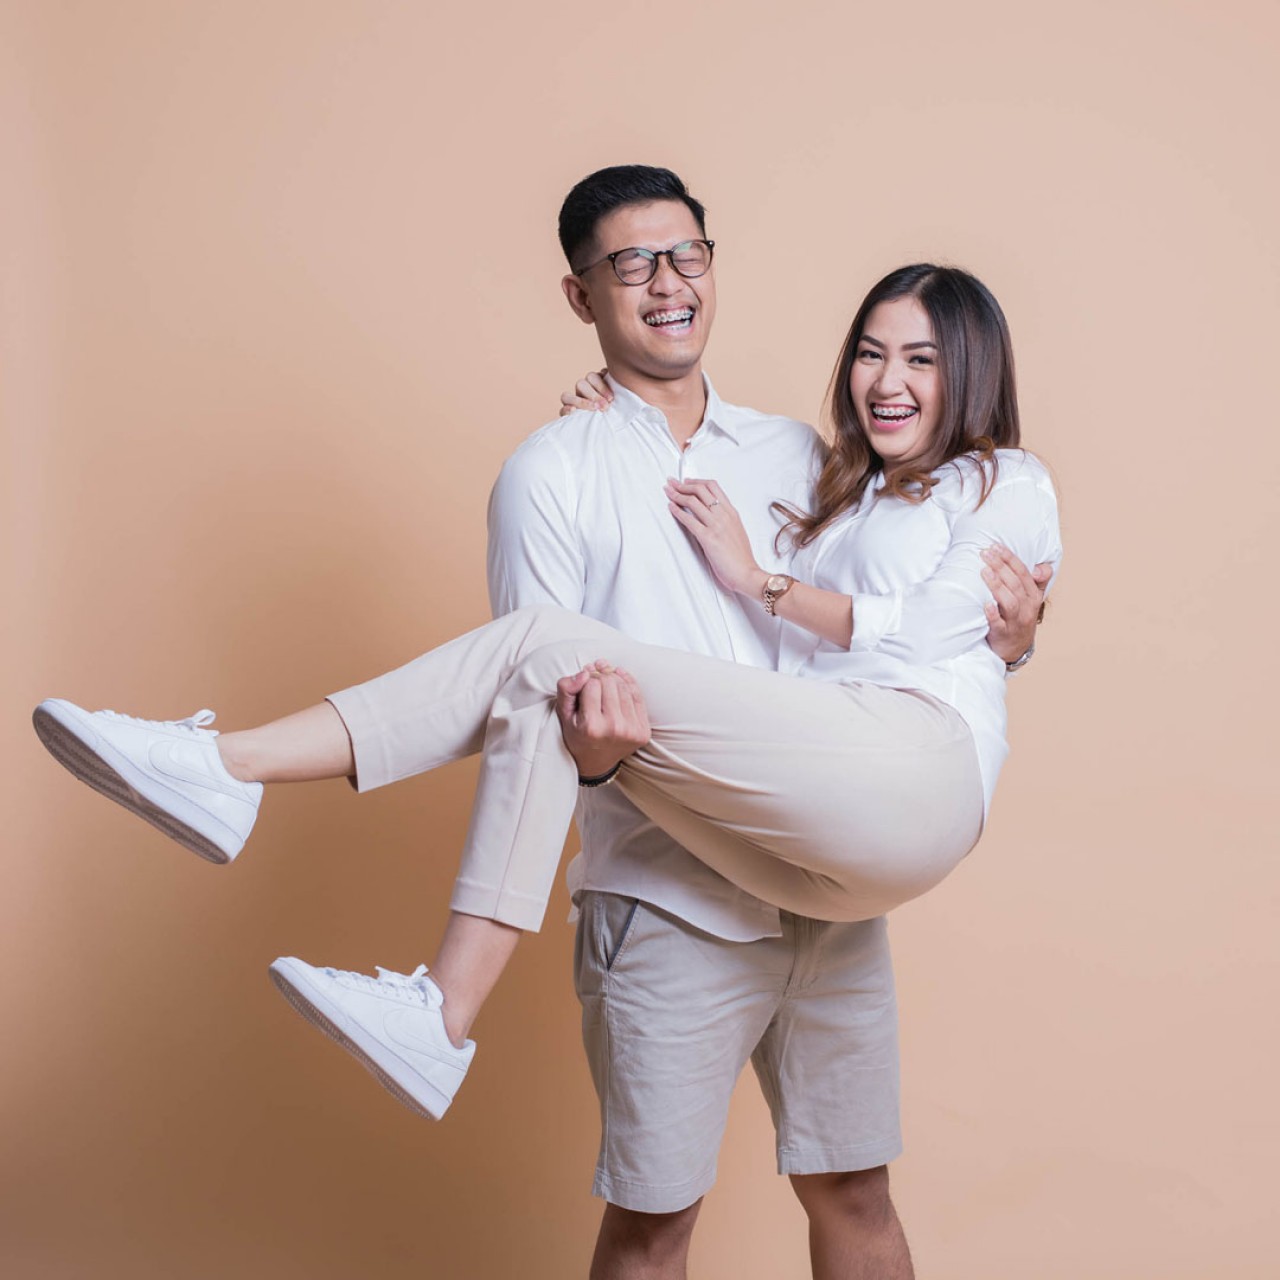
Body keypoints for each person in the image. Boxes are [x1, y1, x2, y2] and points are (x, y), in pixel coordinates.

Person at [33, 167, 1054, 1280]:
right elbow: (530, 712)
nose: (667, 283)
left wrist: (1006, 640)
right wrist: (597, 758)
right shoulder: (550, 470)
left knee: (855, 1191)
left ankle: (243, 785)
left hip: (819, 877)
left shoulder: (803, 458)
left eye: (686, 256)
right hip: (667, 895)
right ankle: (237, 782)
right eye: (631, 264)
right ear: (582, 295)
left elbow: (893, 618)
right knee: (653, 1224)